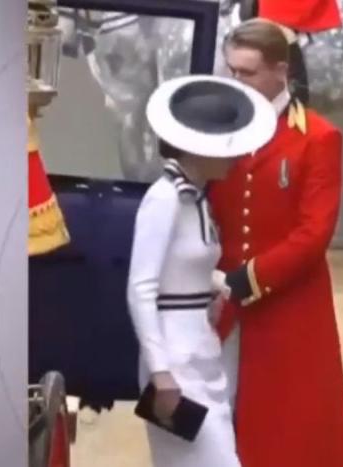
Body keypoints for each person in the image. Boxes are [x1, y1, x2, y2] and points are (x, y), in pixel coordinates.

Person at [209, 19, 343, 467]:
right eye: (231, 71)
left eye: (247, 73)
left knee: (290, 430)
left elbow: (314, 235)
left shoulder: (318, 137)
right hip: (221, 304)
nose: (236, 82)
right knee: (215, 419)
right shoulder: (218, 130)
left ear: (280, 71)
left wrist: (245, 280)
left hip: (290, 305)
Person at [127, 74, 277, 467]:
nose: (236, 156)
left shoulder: (197, 200)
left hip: (203, 349)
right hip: (174, 358)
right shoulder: (164, 199)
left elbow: (189, 272)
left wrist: (224, 285)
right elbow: (141, 289)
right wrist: (161, 373)